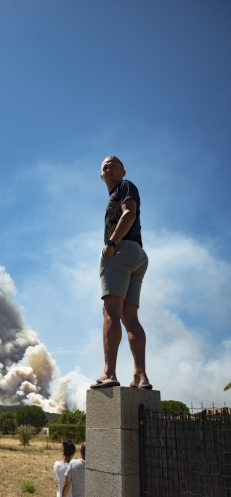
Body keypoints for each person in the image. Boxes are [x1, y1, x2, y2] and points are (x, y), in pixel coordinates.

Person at [90, 156, 152, 390]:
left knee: (110, 313)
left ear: (123, 171)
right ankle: (140, 377)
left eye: (113, 164)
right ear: (101, 175)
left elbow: (129, 214)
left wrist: (111, 244)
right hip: (138, 256)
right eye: (105, 165)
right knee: (130, 318)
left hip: (121, 251)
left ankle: (109, 373)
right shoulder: (116, 192)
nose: (108, 166)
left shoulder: (125, 187)